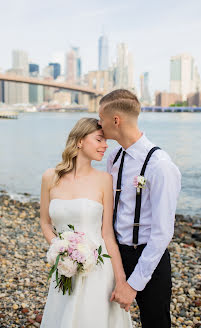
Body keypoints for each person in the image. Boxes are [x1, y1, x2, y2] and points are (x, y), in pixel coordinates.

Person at [98, 89, 181, 328]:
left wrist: (133, 284)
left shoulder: (160, 165)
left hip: (149, 258)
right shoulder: (113, 157)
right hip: (115, 253)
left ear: (116, 120)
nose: (99, 124)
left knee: (156, 322)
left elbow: (163, 233)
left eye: (101, 118)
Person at [40, 117, 133, 328]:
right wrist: (61, 249)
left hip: (98, 268)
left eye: (105, 141)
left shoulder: (104, 179)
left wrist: (121, 280)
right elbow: (45, 223)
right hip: (65, 266)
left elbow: (107, 234)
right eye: (99, 140)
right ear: (80, 141)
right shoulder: (49, 177)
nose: (105, 145)